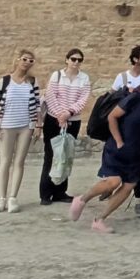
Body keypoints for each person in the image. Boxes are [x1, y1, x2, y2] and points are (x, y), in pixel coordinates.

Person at [70, 77, 140, 232]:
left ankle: (100, 220)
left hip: (137, 153)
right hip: (117, 148)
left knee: (128, 186)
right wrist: (118, 140)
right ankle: (82, 199)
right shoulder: (136, 100)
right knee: (113, 182)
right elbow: (113, 116)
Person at [0, 48, 42, 214]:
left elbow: (38, 106)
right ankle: (1, 198)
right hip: (6, 125)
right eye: (25, 59)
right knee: (5, 161)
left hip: (26, 126)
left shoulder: (32, 82)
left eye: (31, 60)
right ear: (17, 60)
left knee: (19, 162)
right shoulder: (3, 82)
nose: (27, 63)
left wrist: (38, 125)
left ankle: (13, 198)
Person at [39, 48, 91, 205]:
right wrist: (60, 115)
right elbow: (50, 95)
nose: (76, 62)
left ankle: (60, 192)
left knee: (66, 155)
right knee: (51, 155)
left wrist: (69, 113)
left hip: (72, 119)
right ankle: (46, 193)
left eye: (79, 60)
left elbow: (83, 98)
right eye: (73, 59)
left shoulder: (84, 78)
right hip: (54, 120)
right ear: (67, 60)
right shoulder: (57, 75)